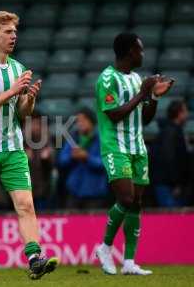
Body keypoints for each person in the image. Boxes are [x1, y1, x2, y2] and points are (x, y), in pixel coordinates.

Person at [0, 11, 58, 281]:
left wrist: (29, 99)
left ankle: (34, 257)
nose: (13, 35)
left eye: (15, 31)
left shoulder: (18, 68)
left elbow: (22, 113)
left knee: (26, 204)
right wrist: (13, 92)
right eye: (8, 31)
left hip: (13, 148)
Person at [94, 32, 174, 275]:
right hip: (115, 147)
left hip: (137, 147)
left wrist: (154, 96)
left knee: (136, 203)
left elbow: (146, 118)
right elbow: (114, 114)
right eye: (140, 50)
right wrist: (143, 92)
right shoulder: (107, 79)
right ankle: (105, 247)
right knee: (126, 199)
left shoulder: (137, 79)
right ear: (130, 51)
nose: (143, 54)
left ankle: (129, 262)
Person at [57, 108, 108, 209]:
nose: (80, 123)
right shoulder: (73, 139)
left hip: (95, 193)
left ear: (92, 121)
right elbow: (61, 160)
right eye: (78, 121)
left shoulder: (102, 139)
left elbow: (105, 163)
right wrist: (72, 157)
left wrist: (87, 157)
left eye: (84, 120)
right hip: (74, 192)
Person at [151, 100, 190, 207]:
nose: (187, 115)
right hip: (167, 185)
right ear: (179, 113)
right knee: (172, 215)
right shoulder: (170, 132)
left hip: (170, 183)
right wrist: (176, 184)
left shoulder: (174, 131)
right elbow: (170, 159)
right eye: (185, 111)